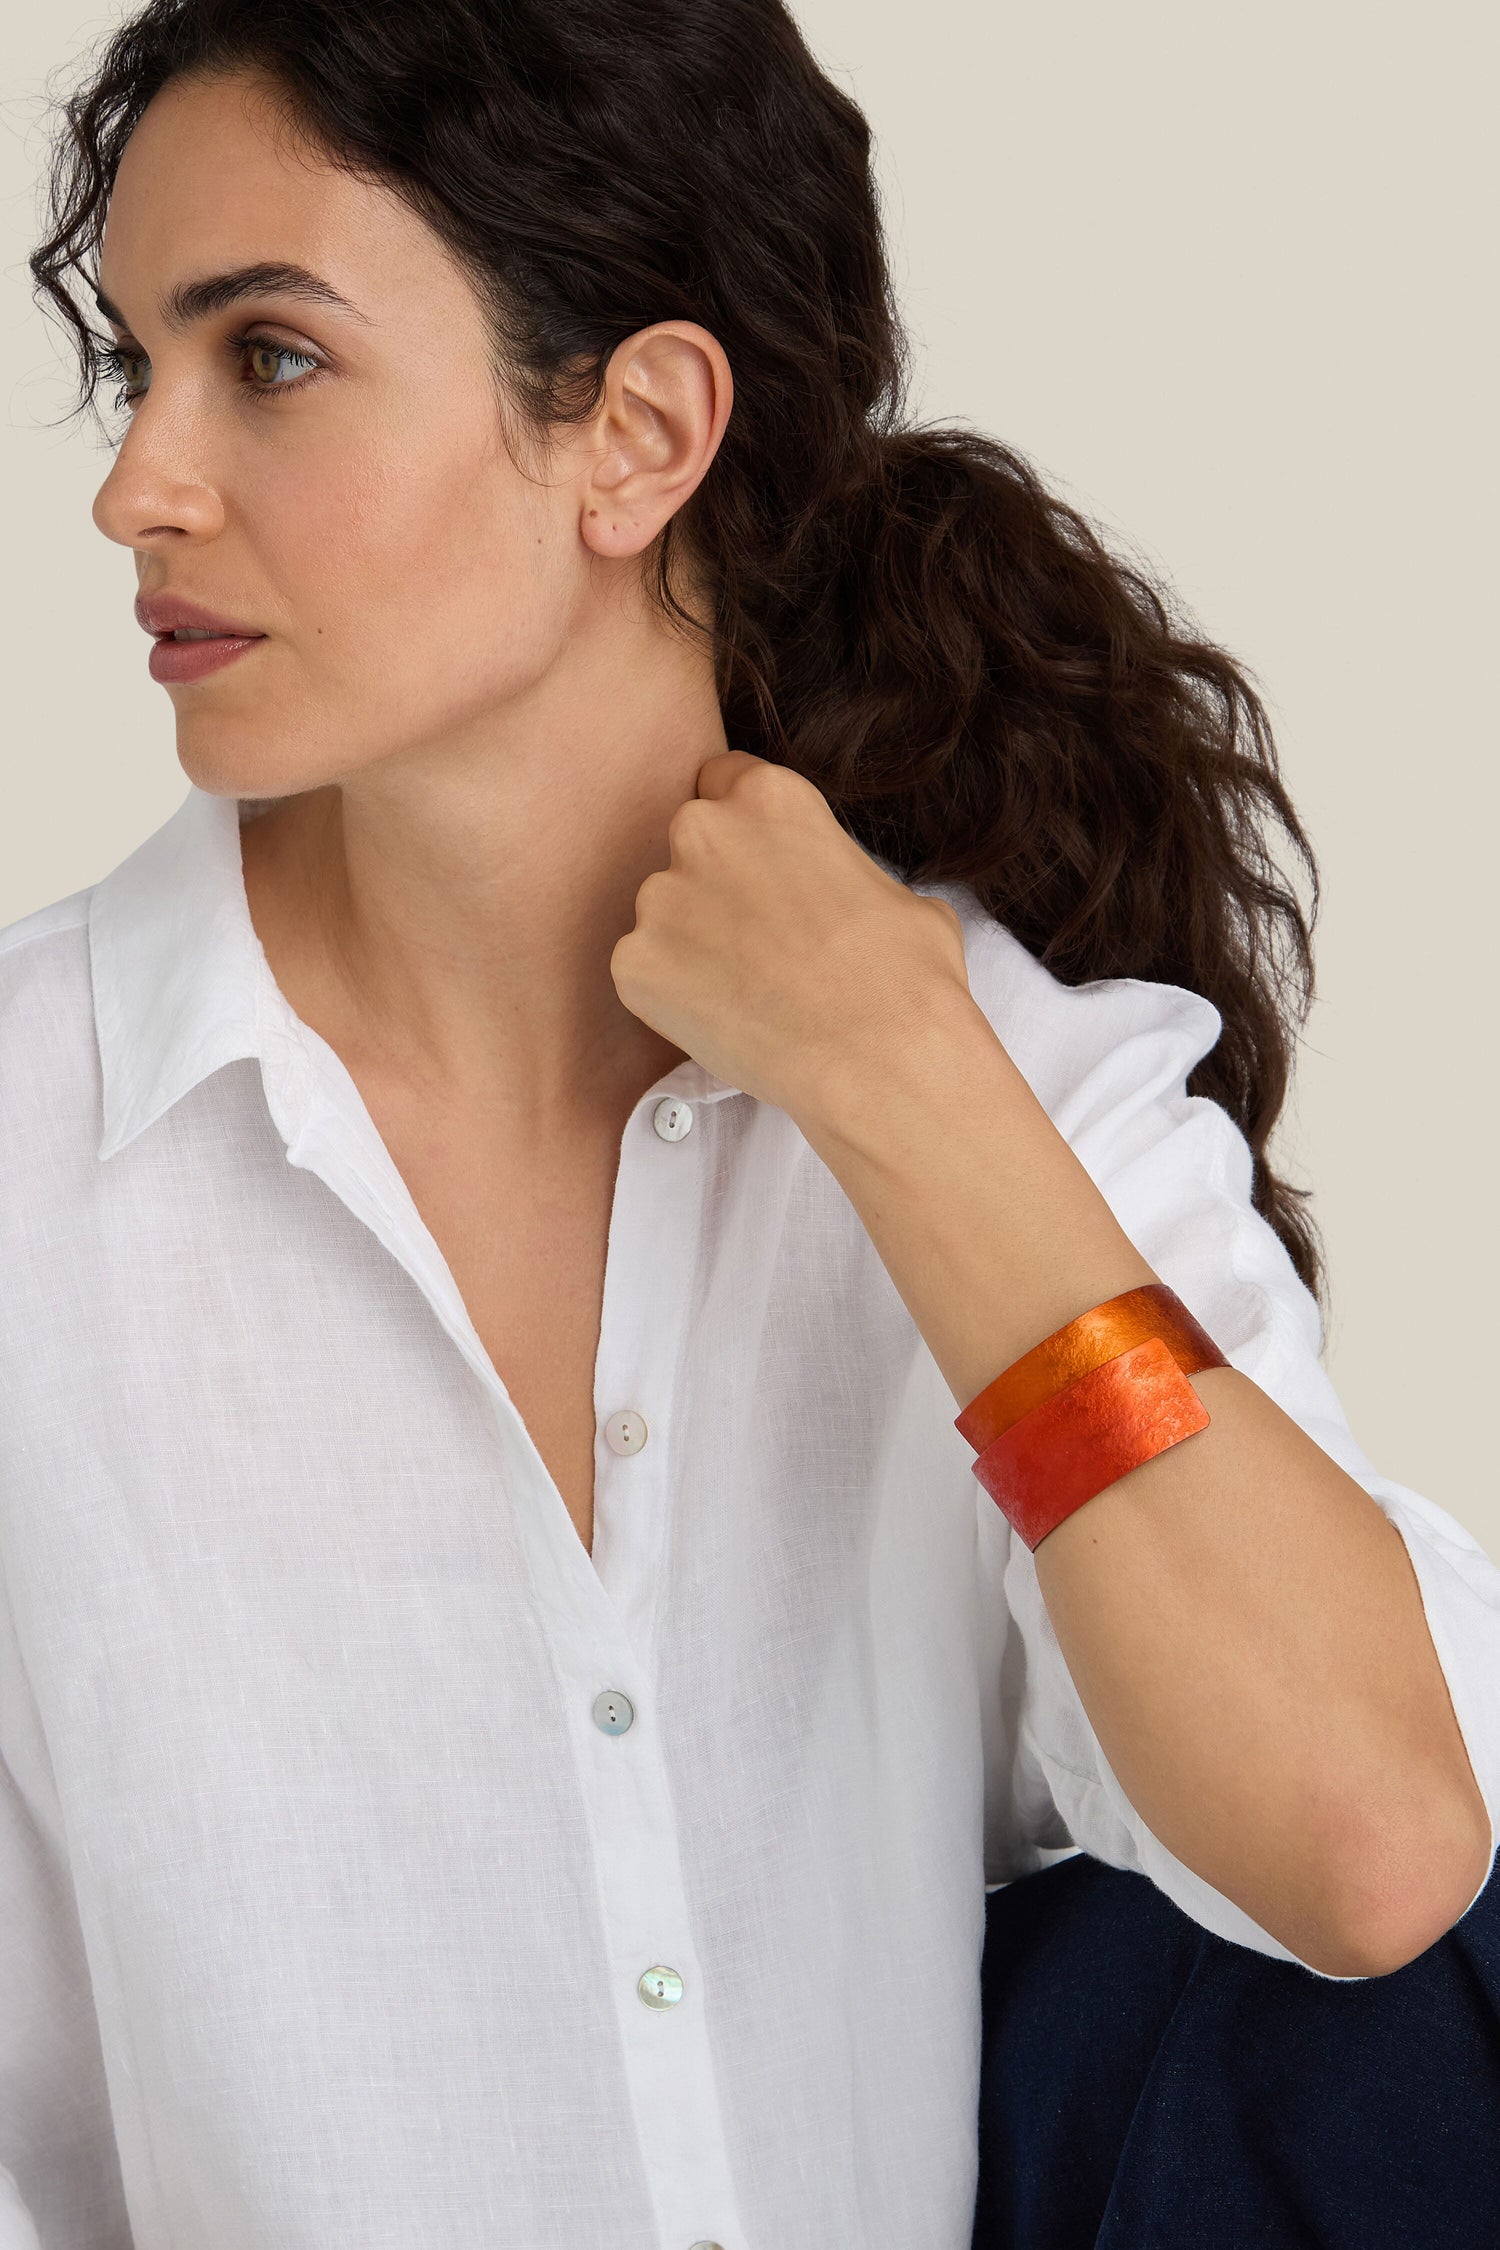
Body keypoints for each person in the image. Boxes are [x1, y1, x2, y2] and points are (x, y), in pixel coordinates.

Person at [4, 2, 1497, 2246]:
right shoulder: (37, 1159)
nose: (139, 484)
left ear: (639, 433)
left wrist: (906, 1090)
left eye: (273, 358)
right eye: (143, 367)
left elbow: (1373, 1854)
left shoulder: (999, 1091)